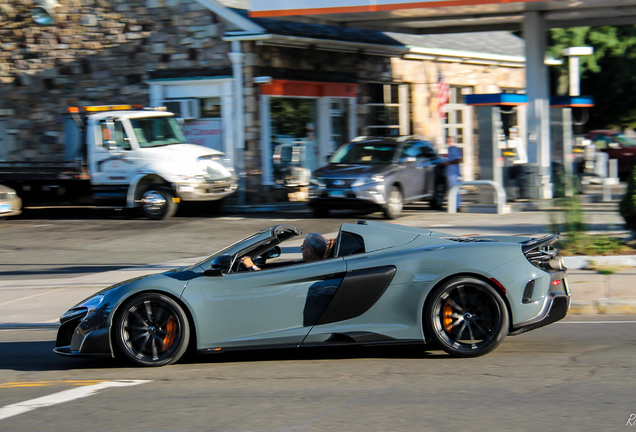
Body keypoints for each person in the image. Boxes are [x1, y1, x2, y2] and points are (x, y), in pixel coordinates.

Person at [240, 232, 327, 271]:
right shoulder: (320, 265)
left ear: (310, 251)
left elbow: (268, 279)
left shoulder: (310, 269)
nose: (301, 249)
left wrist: (252, 266)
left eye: (302, 247)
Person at [442, 136, 463, 207]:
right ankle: (452, 205)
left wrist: (447, 163)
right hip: (448, 172)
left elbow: (458, 160)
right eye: (447, 141)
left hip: (453, 172)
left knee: (455, 189)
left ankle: (457, 205)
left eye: (449, 141)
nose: (448, 142)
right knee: (451, 190)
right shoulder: (447, 149)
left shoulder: (455, 149)